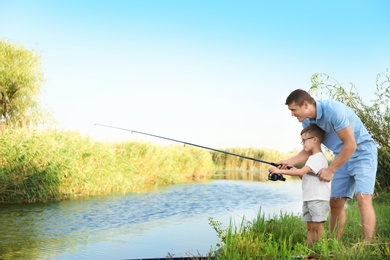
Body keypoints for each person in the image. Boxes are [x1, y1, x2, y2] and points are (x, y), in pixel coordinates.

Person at [280, 89, 377, 242]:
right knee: (335, 201)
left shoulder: (333, 111)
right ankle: (334, 242)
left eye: (293, 110)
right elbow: (308, 150)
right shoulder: (307, 121)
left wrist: (331, 169)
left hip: (363, 153)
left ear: (305, 104)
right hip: (341, 156)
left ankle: (367, 245)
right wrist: (288, 162)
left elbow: (351, 145)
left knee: (363, 197)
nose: (292, 114)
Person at [269, 124, 330, 247]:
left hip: (318, 198)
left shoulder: (318, 157)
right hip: (309, 198)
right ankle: (310, 250)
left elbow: (302, 171)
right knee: (310, 226)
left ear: (315, 140)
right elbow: (304, 176)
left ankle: (326, 251)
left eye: (304, 140)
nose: (303, 144)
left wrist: (279, 171)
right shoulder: (311, 158)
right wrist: (293, 168)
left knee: (317, 226)